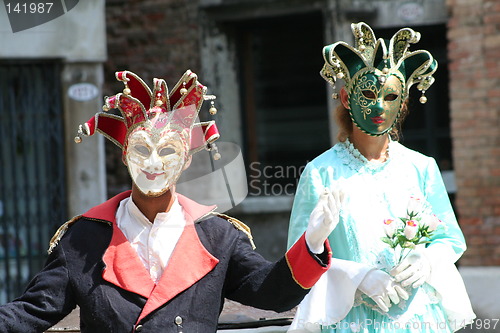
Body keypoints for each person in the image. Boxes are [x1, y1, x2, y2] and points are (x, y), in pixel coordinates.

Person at [0, 70, 339, 333]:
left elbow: (271, 293)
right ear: (124, 155)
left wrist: (311, 243)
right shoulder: (82, 242)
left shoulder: (218, 237)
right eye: (142, 149)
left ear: (187, 159)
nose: (153, 163)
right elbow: (29, 313)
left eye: (167, 151)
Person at [286, 23, 476, 333]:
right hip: (353, 321)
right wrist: (356, 277)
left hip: (419, 319)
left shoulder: (421, 167)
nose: (379, 106)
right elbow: (299, 254)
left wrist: (425, 260)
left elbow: (450, 238)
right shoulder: (321, 172)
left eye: (390, 96)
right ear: (347, 98)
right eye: (370, 94)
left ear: (402, 101)